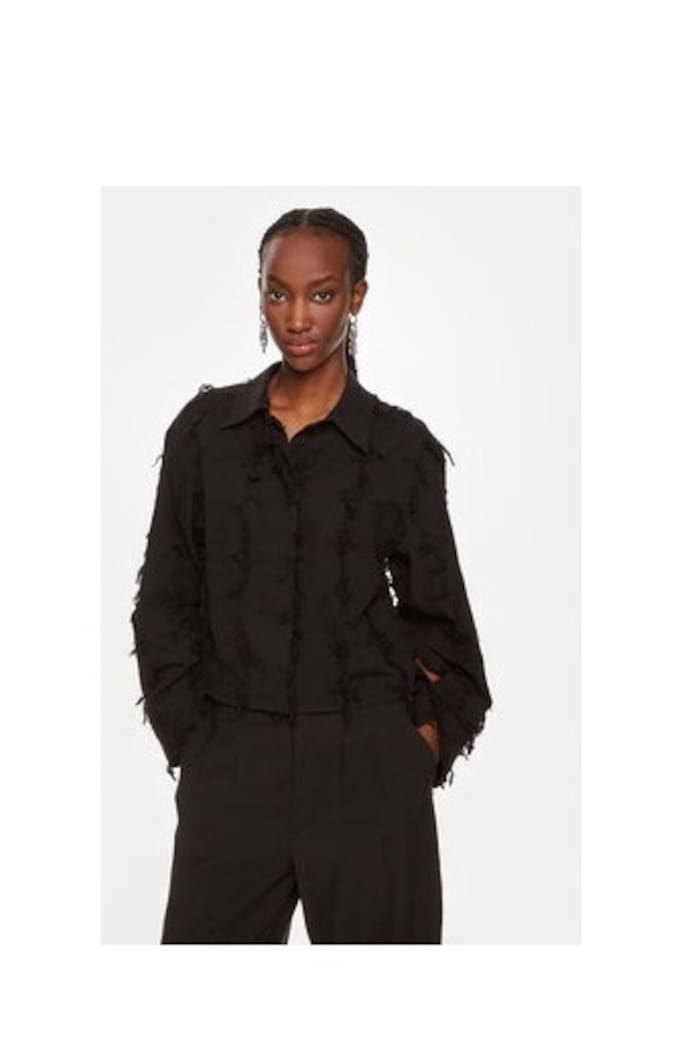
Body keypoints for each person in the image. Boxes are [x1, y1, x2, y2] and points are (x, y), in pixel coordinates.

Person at [130, 206, 493, 944]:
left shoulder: (399, 448)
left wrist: (416, 745)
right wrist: (197, 740)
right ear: (260, 293)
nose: (297, 318)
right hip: (232, 762)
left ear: (356, 296)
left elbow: (440, 616)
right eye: (278, 292)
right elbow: (165, 597)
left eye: (321, 294)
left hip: (369, 768)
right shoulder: (205, 434)